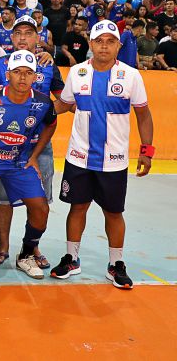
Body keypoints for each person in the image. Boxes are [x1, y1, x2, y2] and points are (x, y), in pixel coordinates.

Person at [52, 20, 153, 289]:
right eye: (99, 41)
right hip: (78, 157)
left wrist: (147, 150)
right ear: (91, 44)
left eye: (110, 41)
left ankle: (116, 263)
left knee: (113, 212)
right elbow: (63, 105)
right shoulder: (77, 72)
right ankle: (71, 258)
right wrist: (33, 107)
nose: (104, 46)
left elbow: (143, 115)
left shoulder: (131, 76)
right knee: (78, 207)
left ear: (118, 45)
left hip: (114, 160)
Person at [0, 16, 64, 268]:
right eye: (18, 33)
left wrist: (36, 116)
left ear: (39, 37)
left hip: (36, 147)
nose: (23, 37)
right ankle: (3, 245)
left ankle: (31, 248)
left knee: (38, 199)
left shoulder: (49, 65)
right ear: (11, 38)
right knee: (1, 199)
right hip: (0, 147)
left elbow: (65, 101)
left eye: (29, 33)